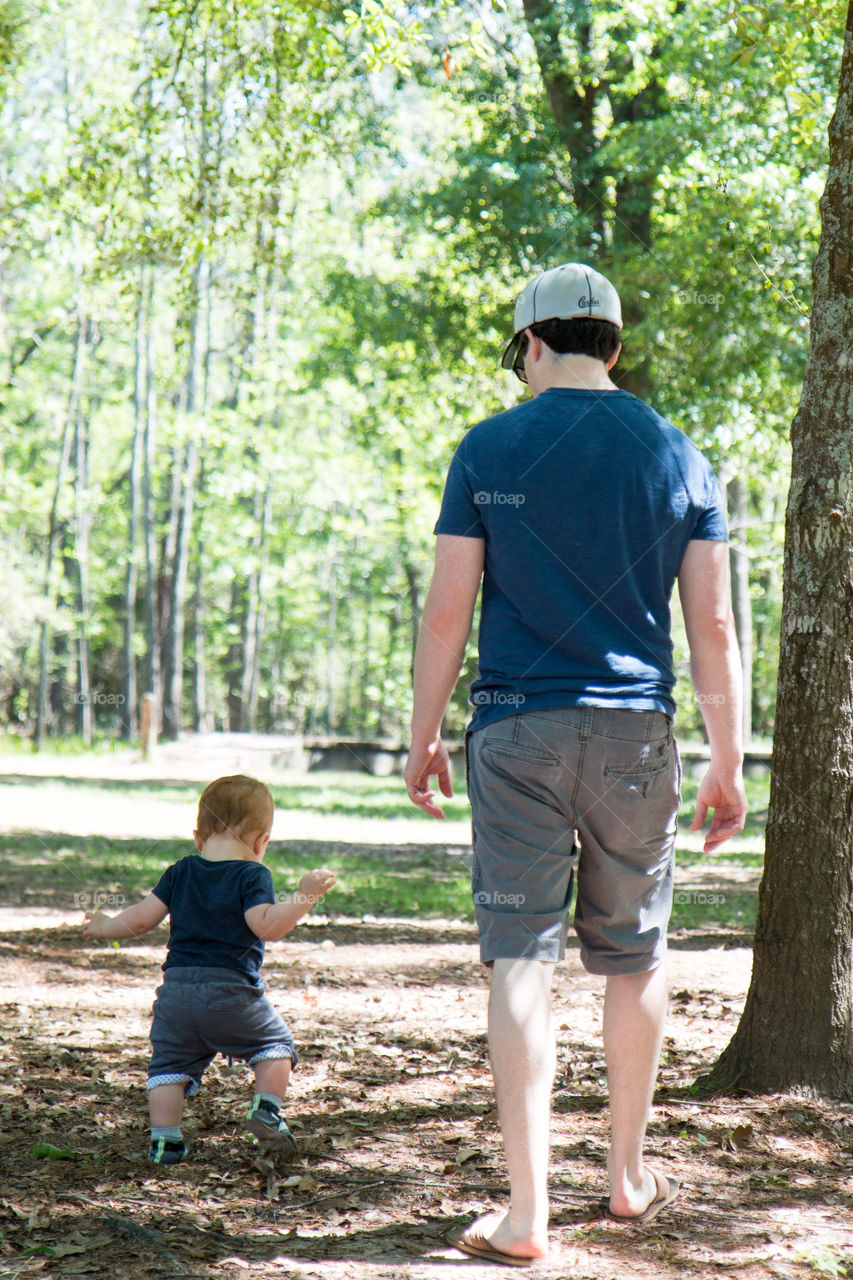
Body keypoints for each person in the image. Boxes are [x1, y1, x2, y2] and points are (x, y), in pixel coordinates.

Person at [404, 263, 747, 1265]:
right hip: (636, 732)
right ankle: (628, 1177)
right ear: (615, 348)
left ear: (530, 347)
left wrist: (423, 732)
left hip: (514, 727)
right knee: (633, 952)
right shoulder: (677, 452)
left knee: (522, 954)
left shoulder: (488, 447)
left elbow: (445, 610)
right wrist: (726, 760)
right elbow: (713, 621)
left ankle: (526, 1212)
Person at [82, 773, 336, 1166]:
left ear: (198, 839)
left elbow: (140, 919)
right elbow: (267, 924)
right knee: (275, 1048)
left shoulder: (180, 871)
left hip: (176, 996)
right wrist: (305, 896)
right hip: (232, 995)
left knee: (168, 1067)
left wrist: (103, 925)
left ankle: (164, 1142)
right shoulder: (252, 874)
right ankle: (267, 1109)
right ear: (260, 842)